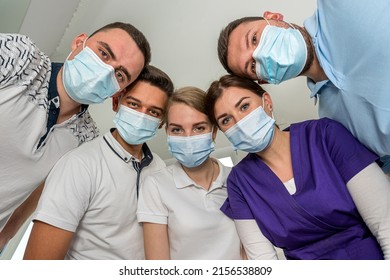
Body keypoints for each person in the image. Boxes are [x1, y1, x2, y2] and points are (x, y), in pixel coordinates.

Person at [0, 22, 151, 253]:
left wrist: (6, 236)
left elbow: (38, 190)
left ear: (118, 92)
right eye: (103, 53)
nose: (106, 70)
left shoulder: (86, 139)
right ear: (79, 41)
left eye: (120, 75)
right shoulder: (21, 56)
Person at [205, 74, 390, 260]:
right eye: (226, 120)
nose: (240, 123)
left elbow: (385, 224)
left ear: (267, 101)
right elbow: (263, 261)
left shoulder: (325, 135)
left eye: (244, 107)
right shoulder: (240, 183)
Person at [217, 3, 390, 174]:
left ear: (274, 17)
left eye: (254, 38)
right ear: (264, 81)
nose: (260, 54)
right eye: (253, 65)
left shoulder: (339, 5)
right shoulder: (334, 123)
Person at [23, 65, 173, 260]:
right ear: (116, 102)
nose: (141, 116)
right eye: (134, 105)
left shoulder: (160, 169)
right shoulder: (79, 165)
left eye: (153, 112)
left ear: (161, 122)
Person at [137, 86, 243, 260]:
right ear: (168, 133)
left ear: (214, 132)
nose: (188, 138)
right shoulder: (155, 185)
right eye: (177, 130)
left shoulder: (238, 180)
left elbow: (251, 248)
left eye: (199, 128)